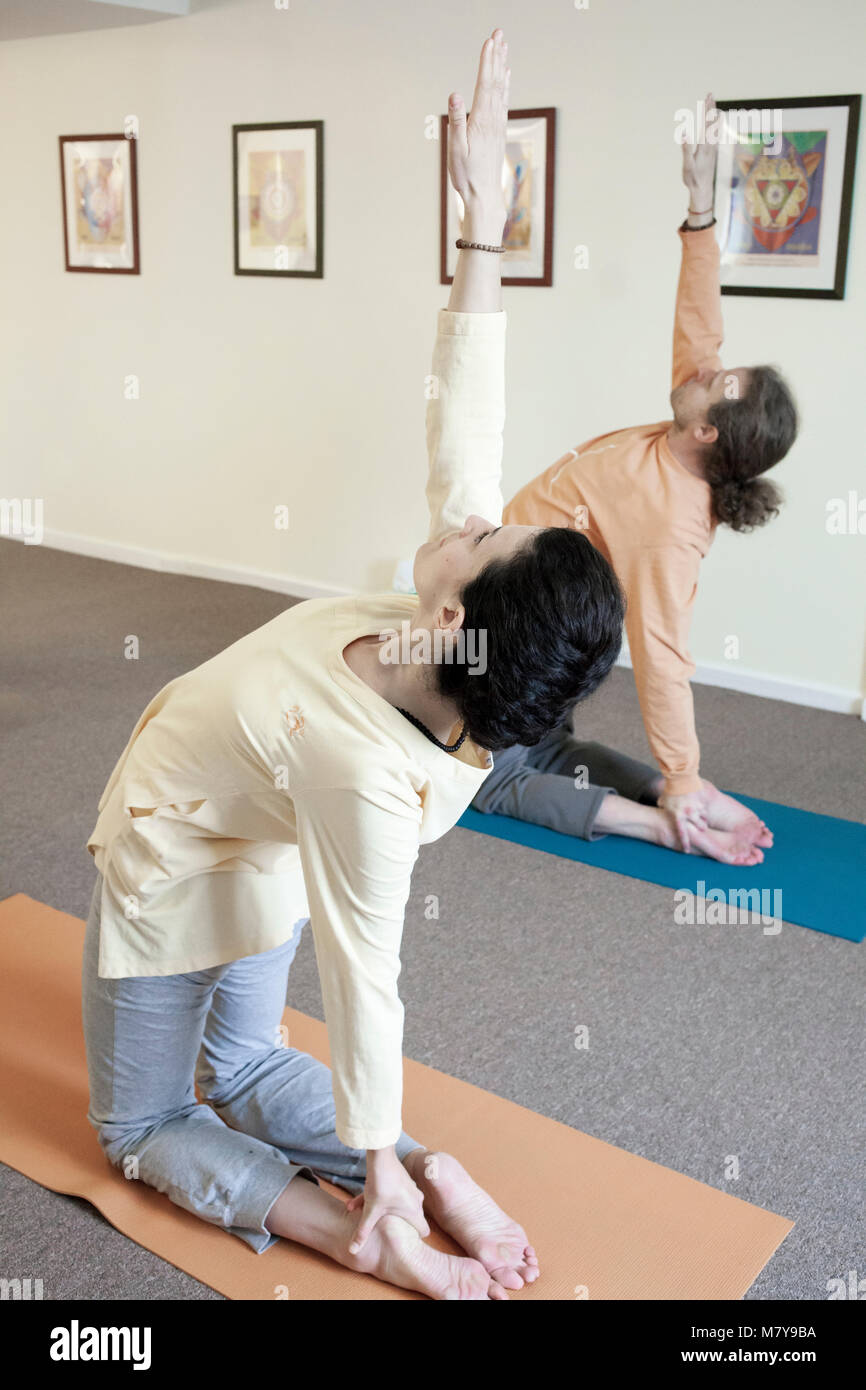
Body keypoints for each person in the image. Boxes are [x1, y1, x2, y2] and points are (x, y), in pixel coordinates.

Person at [80, 30, 625, 1301]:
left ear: (455, 619)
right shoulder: (455, 653)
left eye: (485, 533)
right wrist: (483, 229)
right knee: (257, 1065)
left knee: (144, 1126)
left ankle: (368, 1230)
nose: (474, 515)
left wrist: (371, 1167)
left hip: (173, 857)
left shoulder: (364, 772)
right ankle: (437, 1178)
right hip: (261, 845)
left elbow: (367, 979)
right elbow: (464, 421)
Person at [474, 94, 799, 866]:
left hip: (526, 627)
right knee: (547, 746)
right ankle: (673, 796)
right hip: (526, 602)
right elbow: (699, 324)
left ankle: (665, 817)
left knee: (484, 779)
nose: (708, 368)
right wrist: (698, 212)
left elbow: (663, 656)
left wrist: (683, 775)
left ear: (709, 430)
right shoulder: (692, 432)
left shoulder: (670, 525)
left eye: (718, 381)